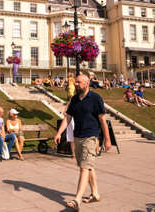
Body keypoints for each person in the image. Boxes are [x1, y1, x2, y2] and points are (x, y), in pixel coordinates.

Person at [54, 74, 111, 210]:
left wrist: (107, 139)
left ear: (86, 84)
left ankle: (77, 200)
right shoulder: (74, 99)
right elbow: (68, 118)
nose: (76, 84)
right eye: (75, 82)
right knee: (87, 165)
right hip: (77, 137)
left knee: (84, 168)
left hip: (90, 137)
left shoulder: (96, 98)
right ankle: (95, 193)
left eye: (78, 82)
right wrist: (58, 133)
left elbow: (102, 120)